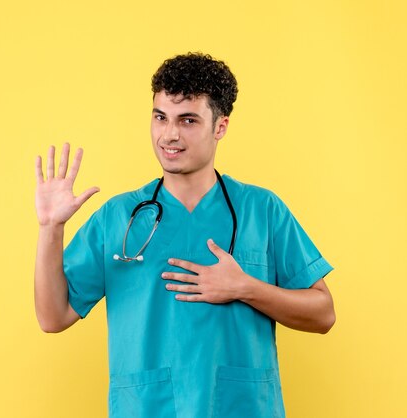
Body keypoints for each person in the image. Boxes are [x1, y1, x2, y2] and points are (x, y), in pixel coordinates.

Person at [34, 52, 335, 418]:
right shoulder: (118, 217)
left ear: (220, 126)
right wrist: (51, 230)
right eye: (160, 118)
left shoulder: (262, 210)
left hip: (240, 408)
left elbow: (323, 313)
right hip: (147, 408)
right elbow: (53, 317)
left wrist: (245, 287)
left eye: (188, 120)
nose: (170, 134)